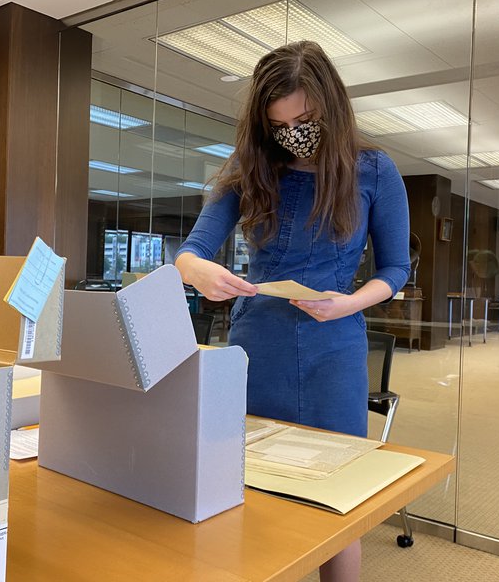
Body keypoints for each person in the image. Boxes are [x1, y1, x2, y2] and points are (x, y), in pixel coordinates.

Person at [174, 40, 410, 582]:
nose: (294, 135)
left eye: (305, 120)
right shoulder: (249, 165)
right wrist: (198, 271)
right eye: (279, 125)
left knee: (336, 494)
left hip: (336, 345)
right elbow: (193, 249)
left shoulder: (373, 170)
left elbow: (395, 271)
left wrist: (350, 301)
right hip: (259, 343)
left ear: (332, 107)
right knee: (250, 482)